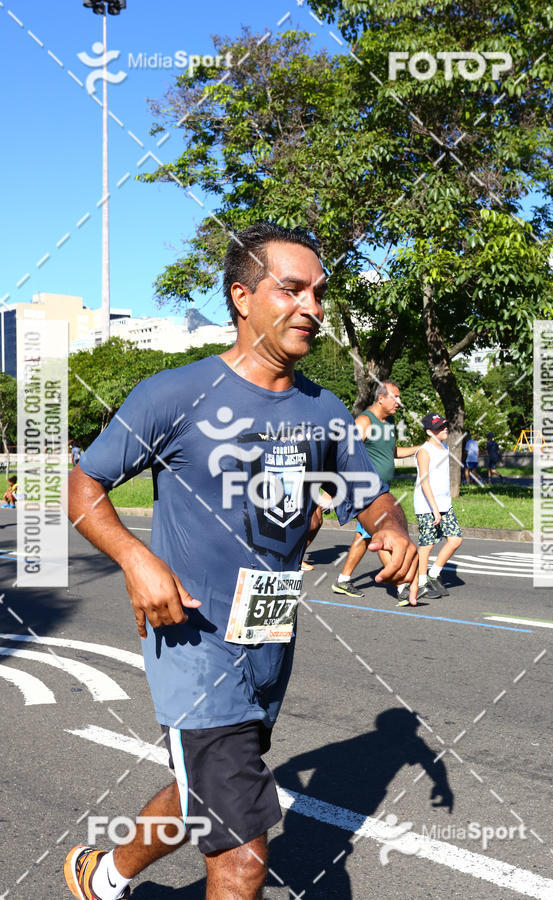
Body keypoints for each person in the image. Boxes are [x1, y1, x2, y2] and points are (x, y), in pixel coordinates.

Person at [64, 223, 418, 900]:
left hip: (267, 632)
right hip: (190, 639)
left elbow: (370, 499)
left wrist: (392, 531)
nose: (312, 306)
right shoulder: (175, 393)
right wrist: (137, 560)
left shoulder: (324, 410)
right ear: (241, 297)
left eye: (318, 291)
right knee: (246, 855)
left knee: (200, 778)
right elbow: (84, 486)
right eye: (292, 289)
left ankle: (103, 876)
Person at [332, 382, 419, 605]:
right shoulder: (364, 422)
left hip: (383, 495)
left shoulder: (388, 423)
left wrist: (421, 448)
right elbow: (344, 456)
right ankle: (401, 585)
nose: (399, 403)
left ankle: (343, 579)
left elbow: (393, 452)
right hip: (367, 493)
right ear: (381, 398)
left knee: (366, 536)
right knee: (382, 536)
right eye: (396, 398)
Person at [410, 412, 463, 601]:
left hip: (444, 503)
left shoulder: (445, 447)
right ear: (429, 432)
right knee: (428, 544)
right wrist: (433, 508)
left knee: (455, 539)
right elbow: (425, 482)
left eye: (444, 425)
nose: (444, 429)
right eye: (439, 427)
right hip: (427, 505)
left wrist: (442, 504)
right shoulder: (424, 451)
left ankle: (434, 574)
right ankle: (422, 581)